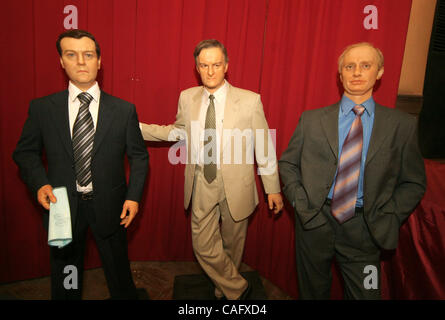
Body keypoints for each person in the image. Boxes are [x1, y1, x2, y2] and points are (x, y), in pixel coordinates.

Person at [279, 42, 426, 299]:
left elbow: (413, 182)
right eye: (350, 66)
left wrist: (388, 214)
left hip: (366, 231)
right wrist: (302, 205)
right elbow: (288, 164)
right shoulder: (311, 120)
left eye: (365, 66)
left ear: (379, 72)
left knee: (367, 295)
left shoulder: (401, 126)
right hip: (315, 223)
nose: (357, 72)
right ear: (341, 74)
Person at [139, 39, 283, 300]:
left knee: (233, 244)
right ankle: (238, 288)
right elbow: (178, 131)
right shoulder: (187, 97)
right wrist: (138, 128)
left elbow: (264, 147)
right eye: (204, 65)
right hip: (201, 180)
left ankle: (225, 290)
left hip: (237, 185)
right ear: (197, 68)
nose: (211, 71)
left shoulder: (250, 101)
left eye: (216, 64)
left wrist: (272, 189)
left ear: (226, 66)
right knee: (202, 244)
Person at [13, 29, 149, 300]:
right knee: (67, 276)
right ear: (62, 62)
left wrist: (133, 198)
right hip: (61, 205)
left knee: (118, 274)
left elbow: (139, 156)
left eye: (88, 55)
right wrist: (40, 183)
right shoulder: (43, 109)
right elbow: (25, 153)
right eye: (71, 55)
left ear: (99, 61)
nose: (81, 62)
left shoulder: (123, 110)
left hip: (111, 206)